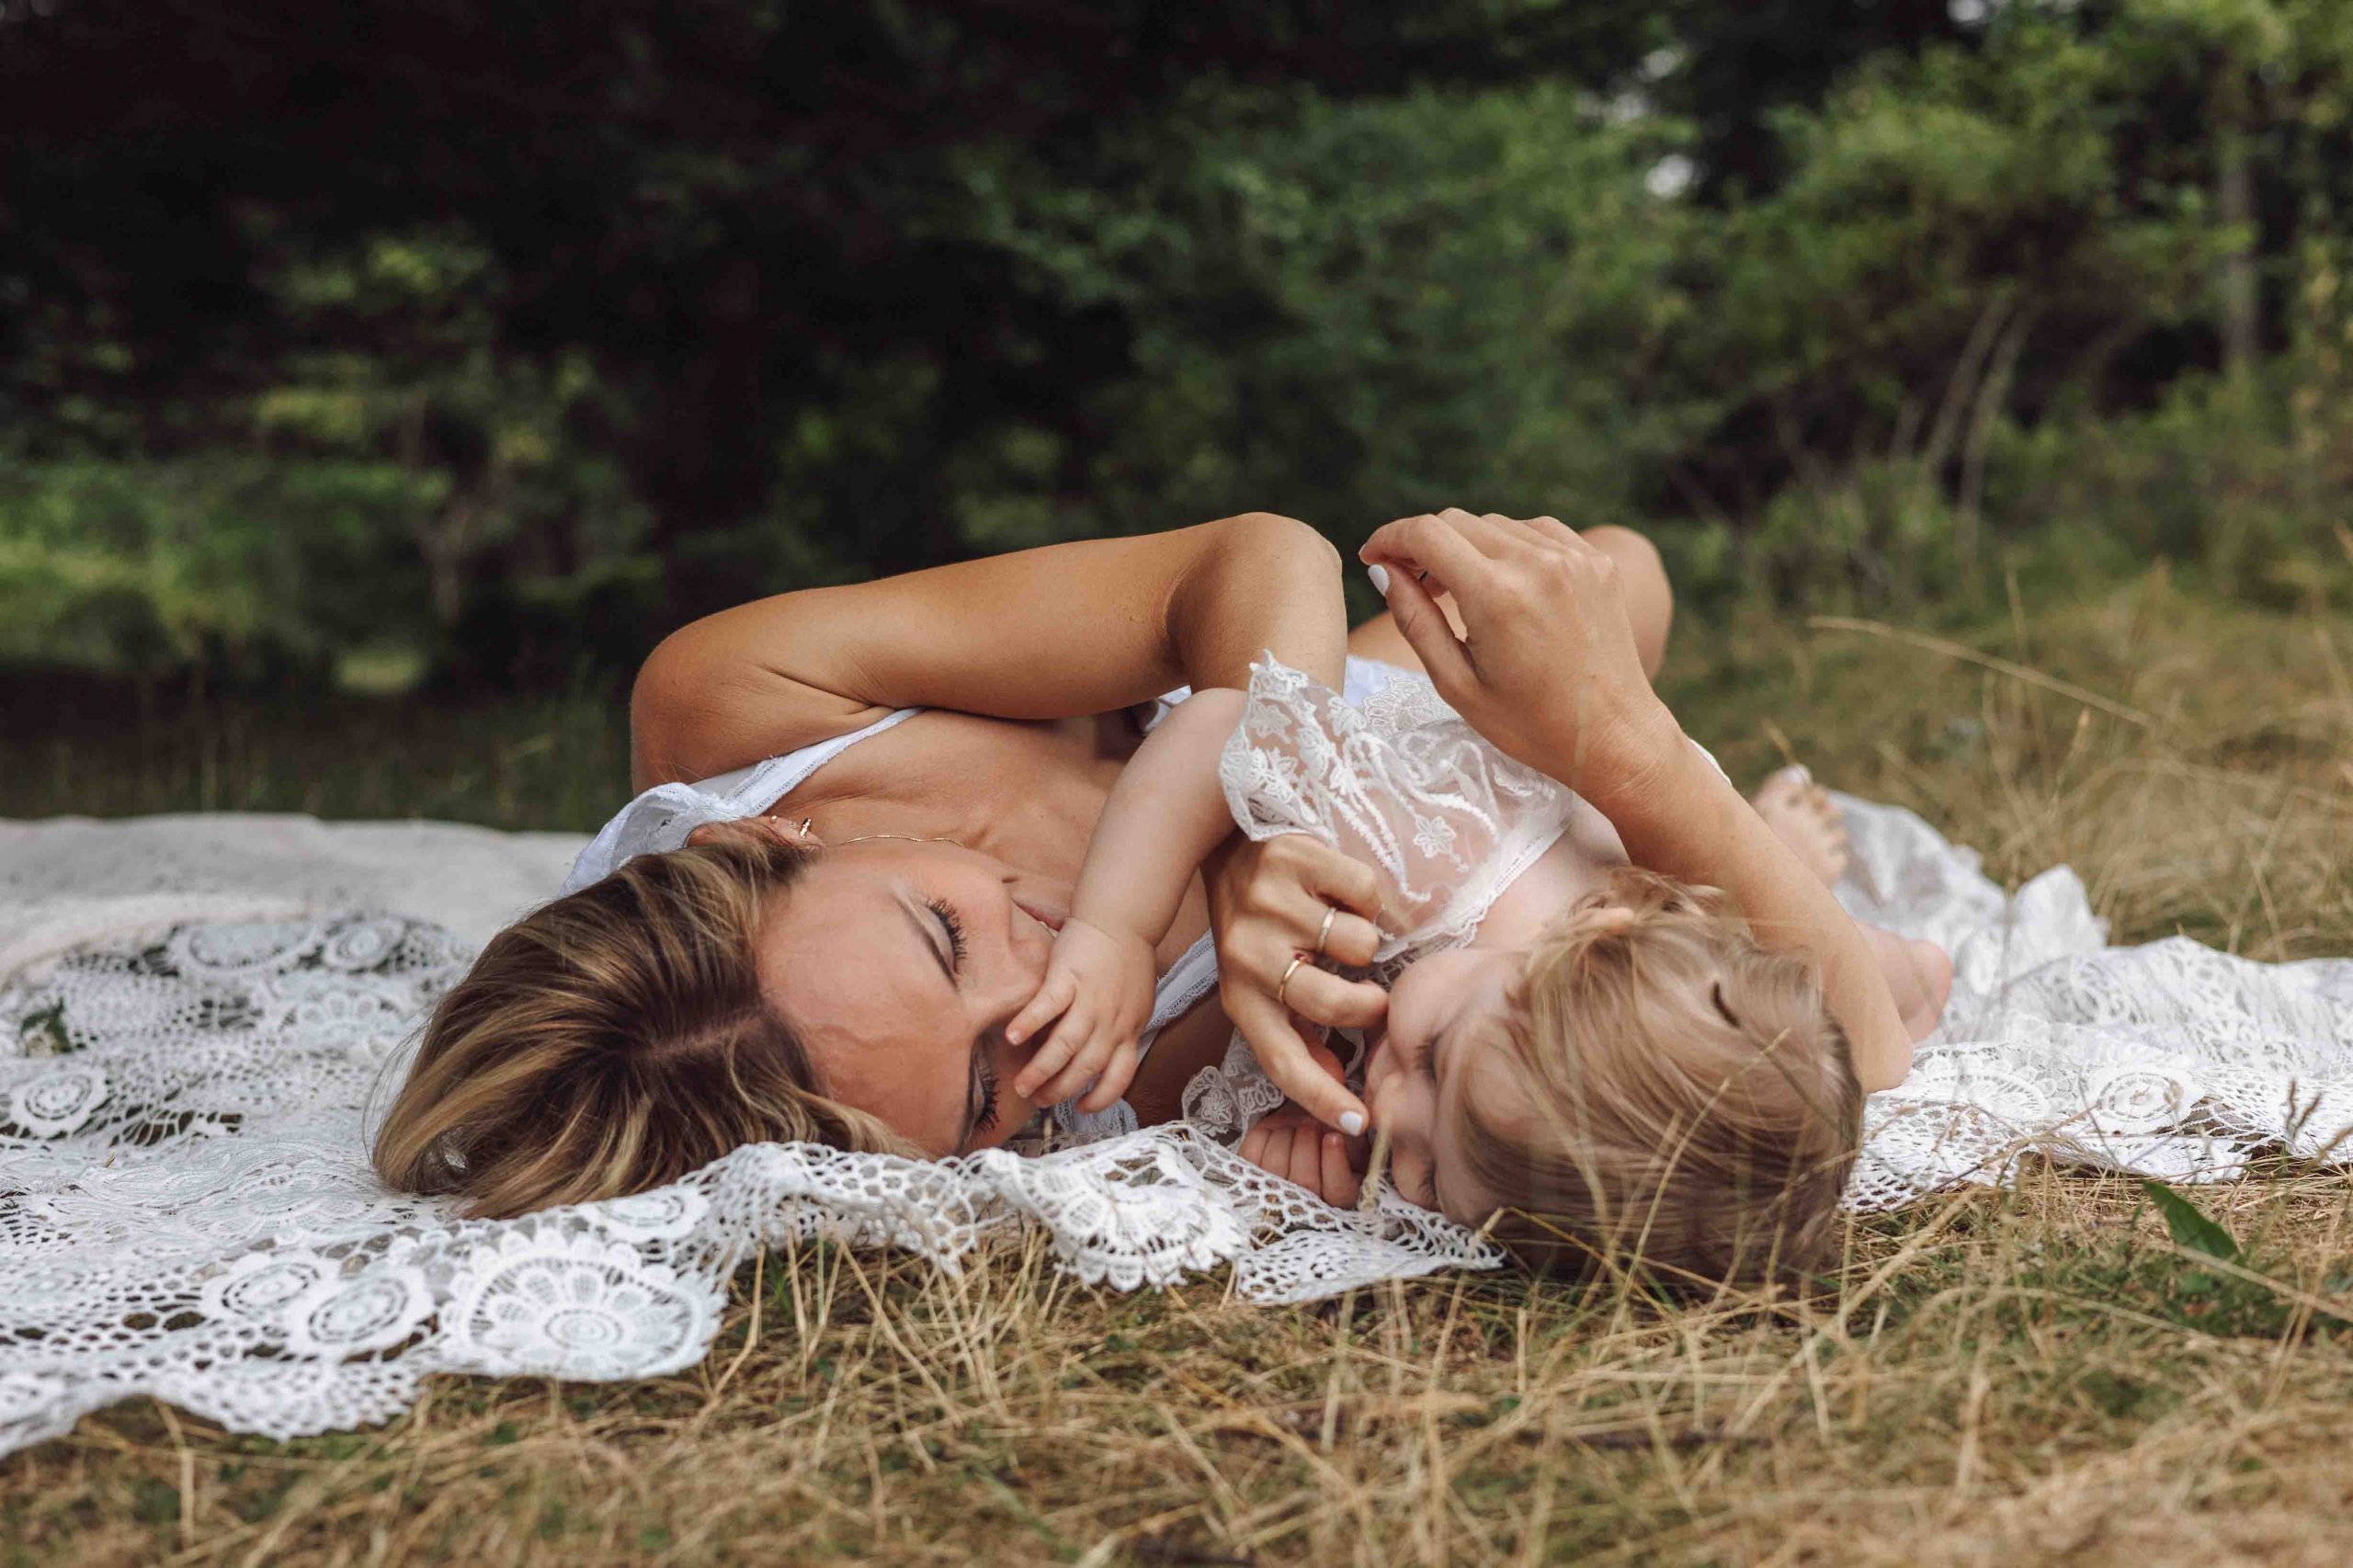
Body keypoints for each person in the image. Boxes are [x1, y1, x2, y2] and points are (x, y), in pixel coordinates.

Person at [369, 510, 1921, 1267]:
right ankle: (1744, 817)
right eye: (993, 1084)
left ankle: (1719, 791)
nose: (1040, 976)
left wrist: (1263, 835)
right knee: (1655, 796)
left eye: (946, 929)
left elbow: (1252, 565)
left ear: (756, 844)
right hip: (1466, 804)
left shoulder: (737, 710)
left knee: (1597, 581)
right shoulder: (1126, 1072)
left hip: (1357, 696)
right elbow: (1841, 1045)